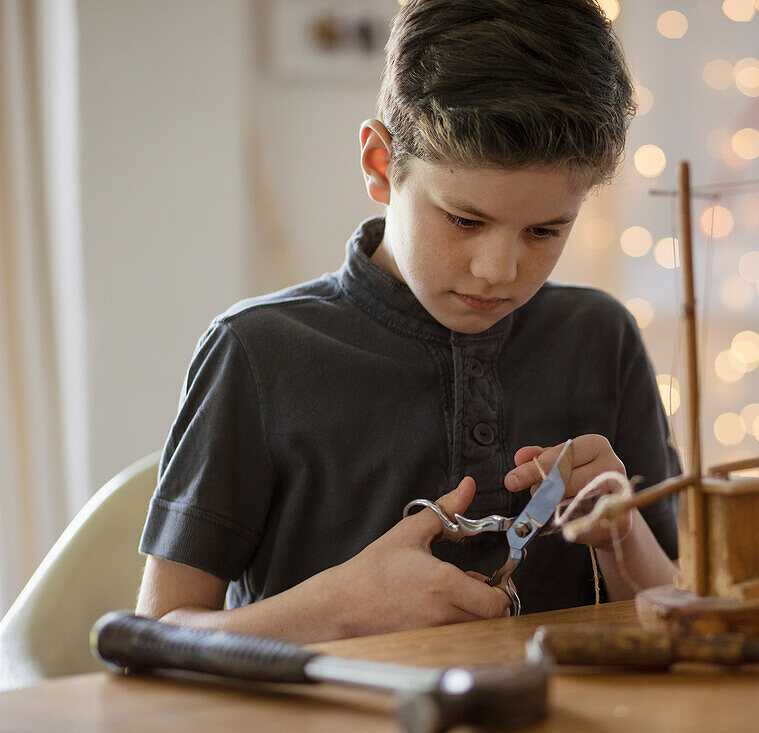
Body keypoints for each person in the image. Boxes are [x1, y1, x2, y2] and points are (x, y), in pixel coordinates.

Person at [135, 0, 680, 644]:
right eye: (465, 220)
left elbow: (673, 605)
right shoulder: (257, 352)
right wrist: (338, 608)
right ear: (380, 165)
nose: (498, 270)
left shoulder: (600, 337)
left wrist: (622, 536)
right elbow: (154, 638)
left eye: (544, 230)